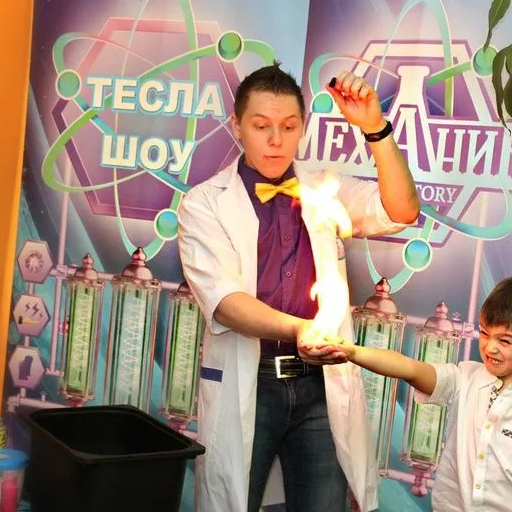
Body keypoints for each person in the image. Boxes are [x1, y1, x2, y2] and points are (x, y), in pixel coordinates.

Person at [177, 63, 419, 512]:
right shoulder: (205, 204)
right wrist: (300, 329)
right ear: (237, 126)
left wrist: (376, 128)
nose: (276, 140)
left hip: (320, 386)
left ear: (302, 127)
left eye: (288, 127)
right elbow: (226, 303)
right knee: (232, 501)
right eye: (261, 126)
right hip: (252, 378)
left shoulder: (324, 188)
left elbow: (402, 210)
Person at [308, 276, 512, 512]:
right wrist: (352, 351)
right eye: (485, 334)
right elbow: (409, 368)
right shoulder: (464, 378)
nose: (490, 348)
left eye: (505, 341)